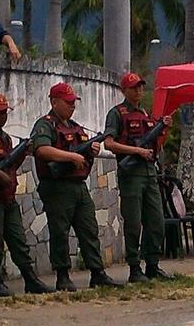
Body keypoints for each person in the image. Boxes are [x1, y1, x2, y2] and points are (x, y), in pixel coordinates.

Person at [32, 82, 121, 291]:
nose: (72, 106)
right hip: (57, 186)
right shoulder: (46, 125)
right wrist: (71, 156)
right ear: (54, 102)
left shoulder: (75, 127)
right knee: (60, 231)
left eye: (73, 102)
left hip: (78, 185)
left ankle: (97, 272)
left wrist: (92, 149)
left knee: (88, 229)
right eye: (67, 102)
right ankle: (62, 275)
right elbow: (42, 150)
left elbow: (85, 150)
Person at [0, 94, 54, 296]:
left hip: (7, 196)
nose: (3, 116)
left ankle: (30, 279)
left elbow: (10, 165)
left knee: (18, 239)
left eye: (5, 112)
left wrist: (22, 152)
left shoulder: (4, 137)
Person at [103, 72, 174, 283]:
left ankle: (152, 264)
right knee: (133, 222)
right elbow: (109, 143)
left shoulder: (145, 114)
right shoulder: (117, 113)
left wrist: (164, 128)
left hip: (149, 173)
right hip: (131, 174)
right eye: (134, 87)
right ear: (124, 90)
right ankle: (135, 268)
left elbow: (155, 145)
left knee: (156, 221)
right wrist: (136, 152)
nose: (139, 91)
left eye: (141, 87)